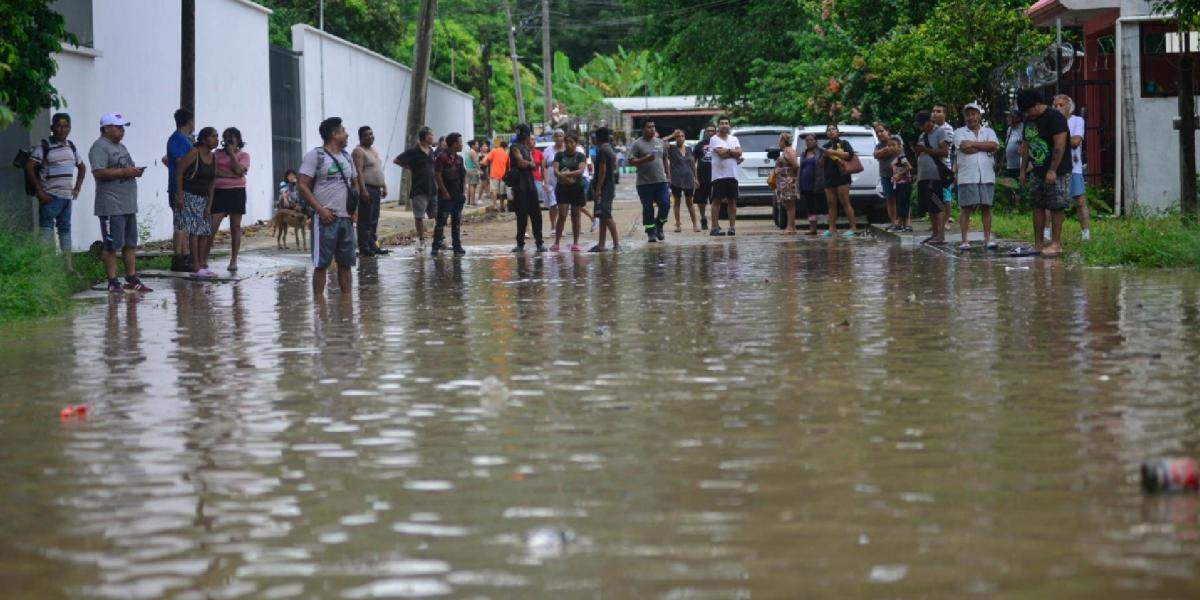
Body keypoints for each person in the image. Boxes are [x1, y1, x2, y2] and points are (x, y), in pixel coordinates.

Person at [89, 112, 152, 292]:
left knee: (130, 243)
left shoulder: (122, 147)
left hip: (128, 203)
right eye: (118, 127)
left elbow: (126, 167)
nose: (122, 131)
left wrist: (134, 171)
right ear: (106, 128)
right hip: (111, 204)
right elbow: (99, 172)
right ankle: (112, 281)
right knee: (111, 245)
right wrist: (125, 173)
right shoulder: (99, 147)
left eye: (122, 127)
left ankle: (131, 278)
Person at [298, 116, 361, 296]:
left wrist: (354, 211)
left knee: (346, 263)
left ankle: (347, 305)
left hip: (346, 219)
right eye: (343, 131)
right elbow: (302, 185)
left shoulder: (347, 157)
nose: (347, 134)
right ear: (334, 134)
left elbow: (354, 183)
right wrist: (320, 210)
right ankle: (319, 307)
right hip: (325, 219)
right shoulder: (315, 156)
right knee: (321, 264)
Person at [27, 112, 85, 272]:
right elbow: (29, 166)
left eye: (66, 126)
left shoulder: (71, 146)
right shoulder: (44, 146)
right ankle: (46, 268)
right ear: (52, 128)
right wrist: (39, 191)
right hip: (50, 196)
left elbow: (82, 167)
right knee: (46, 230)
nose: (62, 129)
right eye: (58, 126)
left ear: (70, 128)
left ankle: (68, 268)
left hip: (66, 197)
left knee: (65, 231)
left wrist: (77, 187)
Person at [1017, 88, 1071, 257]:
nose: (1027, 114)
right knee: (1037, 206)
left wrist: (1053, 170)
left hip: (1058, 171)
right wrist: (1023, 171)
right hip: (1037, 171)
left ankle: (1056, 244)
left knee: (1056, 207)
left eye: (1029, 110)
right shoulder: (1028, 120)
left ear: (1038, 104)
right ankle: (1038, 244)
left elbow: (1059, 146)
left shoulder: (1056, 118)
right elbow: (1026, 146)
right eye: (1024, 112)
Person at [953, 102, 999, 250]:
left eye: (974, 114)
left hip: (986, 175)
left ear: (979, 115)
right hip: (967, 175)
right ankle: (965, 240)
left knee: (986, 207)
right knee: (966, 208)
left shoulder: (989, 131)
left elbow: (994, 146)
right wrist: (983, 146)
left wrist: (974, 145)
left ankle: (987, 239)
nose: (971, 117)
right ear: (964, 117)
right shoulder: (959, 132)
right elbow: (965, 148)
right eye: (968, 114)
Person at [174, 126, 218, 277]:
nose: (216, 139)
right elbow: (179, 171)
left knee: (205, 231)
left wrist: (210, 204)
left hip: (203, 197)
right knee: (194, 231)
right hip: (189, 195)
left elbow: (212, 182)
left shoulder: (213, 157)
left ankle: (202, 263)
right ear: (204, 139)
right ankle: (196, 265)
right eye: (213, 136)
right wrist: (180, 195)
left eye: (217, 136)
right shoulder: (194, 152)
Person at [209, 127, 249, 272]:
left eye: (232, 138)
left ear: (238, 140)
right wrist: (232, 175)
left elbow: (239, 170)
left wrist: (232, 154)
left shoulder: (244, 155)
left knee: (235, 227)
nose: (228, 141)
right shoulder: (216, 154)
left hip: (237, 192)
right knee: (212, 226)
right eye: (226, 138)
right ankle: (203, 259)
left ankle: (233, 260)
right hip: (219, 192)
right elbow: (214, 172)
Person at [1054, 94, 1090, 241]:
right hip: (1055, 167)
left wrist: (1059, 141)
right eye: (1055, 105)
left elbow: (1076, 141)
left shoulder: (1077, 120)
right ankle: (1049, 232)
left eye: (1061, 105)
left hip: (1073, 167)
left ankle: (1086, 233)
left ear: (1069, 106)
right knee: (1054, 202)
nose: (1057, 108)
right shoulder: (1053, 122)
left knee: (1080, 201)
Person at [394, 126, 437, 249]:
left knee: (436, 215)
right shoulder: (414, 151)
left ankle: (439, 238)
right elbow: (397, 160)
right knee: (419, 217)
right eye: (430, 135)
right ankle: (421, 240)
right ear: (424, 137)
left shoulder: (431, 151)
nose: (432, 137)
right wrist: (409, 167)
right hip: (419, 188)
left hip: (432, 188)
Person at [629, 121, 671, 243]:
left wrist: (668, 175)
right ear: (643, 129)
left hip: (661, 181)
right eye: (649, 127)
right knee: (648, 209)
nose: (652, 129)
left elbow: (664, 159)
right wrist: (645, 159)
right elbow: (630, 161)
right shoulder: (637, 144)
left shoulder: (660, 142)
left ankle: (659, 225)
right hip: (644, 183)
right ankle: (650, 232)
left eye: (653, 126)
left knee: (665, 204)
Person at [914, 110, 951, 245]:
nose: (920, 127)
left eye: (922, 124)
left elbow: (944, 151)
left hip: (935, 176)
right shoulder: (922, 135)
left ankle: (941, 236)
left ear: (929, 122)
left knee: (937, 205)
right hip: (923, 176)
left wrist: (925, 150)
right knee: (929, 207)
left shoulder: (940, 132)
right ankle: (934, 233)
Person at [165, 109, 194, 271]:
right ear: (189, 122)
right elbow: (179, 161)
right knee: (180, 221)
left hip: (187, 185)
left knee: (184, 222)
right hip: (178, 186)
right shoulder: (176, 139)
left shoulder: (186, 140)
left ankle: (185, 255)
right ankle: (178, 257)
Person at [352, 126, 389, 256]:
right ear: (361, 137)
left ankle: (373, 245)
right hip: (367, 188)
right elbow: (359, 172)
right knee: (365, 220)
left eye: (372, 134)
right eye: (367, 135)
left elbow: (378, 170)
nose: (371, 137)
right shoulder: (359, 151)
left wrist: (384, 185)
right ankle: (364, 247)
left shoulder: (373, 150)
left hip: (376, 189)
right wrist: (363, 190)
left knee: (374, 219)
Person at [507, 126, 544, 252]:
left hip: (530, 186)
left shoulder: (526, 149)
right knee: (522, 216)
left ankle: (539, 243)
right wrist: (530, 164)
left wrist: (528, 163)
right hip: (520, 187)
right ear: (527, 136)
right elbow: (522, 163)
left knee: (536, 215)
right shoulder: (515, 148)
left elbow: (531, 164)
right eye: (529, 136)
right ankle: (520, 244)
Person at [819, 124, 858, 238]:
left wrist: (833, 152)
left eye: (833, 129)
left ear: (837, 132)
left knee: (845, 202)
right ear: (826, 133)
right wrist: (825, 156)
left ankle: (853, 228)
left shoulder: (844, 143)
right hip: (829, 178)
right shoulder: (824, 146)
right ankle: (832, 229)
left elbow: (849, 155)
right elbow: (820, 164)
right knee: (831, 204)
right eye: (828, 130)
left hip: (842, 177)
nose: (831, 131)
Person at [432, 132, 467, 256]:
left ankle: (457, 246)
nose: (462, 145)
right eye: (460, 142)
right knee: (441, 221)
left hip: (457, 195)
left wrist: (463, 192)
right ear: (454, 144)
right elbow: (437, 175)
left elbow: (463, 176)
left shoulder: (459, 159)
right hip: (446, 196)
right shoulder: (442, 157)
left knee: (456, 221)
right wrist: (444, 191)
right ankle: (435, 246)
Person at [550, 133, 587, 251]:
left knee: (576, 216)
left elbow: (580, 171)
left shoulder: (581, 156)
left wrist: (566, 174)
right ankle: (556, 242)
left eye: (572, 142)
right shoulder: (559, 155)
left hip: (577, 188)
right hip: (562, 188)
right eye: (567, 142)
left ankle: (576, 242)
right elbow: (555, 170)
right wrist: (565, 178)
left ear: (576, 144)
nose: (569, 145)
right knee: (562, 215)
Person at [708, 117, 741, 236]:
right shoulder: (714, 139)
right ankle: (714, 228)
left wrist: (728, 152)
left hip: (732, 174)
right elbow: (721, 154)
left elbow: (739, 152)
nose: (724, 125)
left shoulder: (734, 138)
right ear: (718, 126)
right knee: (716, 200)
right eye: (722, 123)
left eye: (726, 123)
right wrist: (733, 153)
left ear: (729, 125)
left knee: (732, 200)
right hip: (718, 175)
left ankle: (732, 228)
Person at [589, 126, 620, 252]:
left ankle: (616, 244)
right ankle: (601, 244)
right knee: (602, 215)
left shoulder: (602, 150)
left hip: (604, 188)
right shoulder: (609, 149)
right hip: (609, 186)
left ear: (598, 138)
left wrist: (598, 189)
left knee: (606, 215)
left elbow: (602, 171)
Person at [873, 122, 904, 231]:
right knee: (889, 199)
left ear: (887, 131)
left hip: (900, 174)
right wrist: (888, 148)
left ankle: (903, 222)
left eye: (881, 131)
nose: (879, 134)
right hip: (885, 175)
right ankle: (893, 222)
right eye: (877, 132)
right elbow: (876, 155)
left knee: (901, 198)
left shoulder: (896, 138)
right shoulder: (878, 145)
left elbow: (899, 150)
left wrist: (888, 149)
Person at [667, 129, 699, 232]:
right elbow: (661, 141)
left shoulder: (689, 149)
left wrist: (696, 178)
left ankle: (695, 225)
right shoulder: (671, 148)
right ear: (675, 138)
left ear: (685, 137)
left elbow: (693, 164)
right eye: (678, 136)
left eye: (682, 136)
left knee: (690, 202)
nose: (680, 138)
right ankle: (678, 225)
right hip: (675, 179)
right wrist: (671, 134)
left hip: (689, 179)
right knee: (677, 201)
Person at [774, 131, 800, 234]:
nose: (778, 142)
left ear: (783, 141)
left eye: (780, 140)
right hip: (783, 183)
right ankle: (790, 227)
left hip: (788, 182)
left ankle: (791, 227)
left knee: (790, 206)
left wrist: (791, 178)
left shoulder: (789, 151)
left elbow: (796, 165)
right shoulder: (785, 151)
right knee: (787, 205)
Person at [692, 123, 716, 231]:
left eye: (712, 131)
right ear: (705, 132)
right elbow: (693, 161)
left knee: (716, 200)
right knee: (701, 200)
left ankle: (715, 222)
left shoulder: (719, 144)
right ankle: (703, 218)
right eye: (708, 131)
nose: (710, 133)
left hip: (716, 176)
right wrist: (694, 177)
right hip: (702, 176)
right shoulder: (699, 145)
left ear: (716, 132)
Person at [797, 133, 822, 235]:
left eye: (811, 140)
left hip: (817, 183)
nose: (808, 142)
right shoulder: (804, 153)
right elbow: (800, 168)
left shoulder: (820, 153)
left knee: (818, 206)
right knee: (809, 207)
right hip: (805, 184)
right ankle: (813, 228)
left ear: (816, 141)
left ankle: (828, 226)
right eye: (807, 140)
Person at [932, 102, 956, 208]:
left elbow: (942, 149)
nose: (935, 114)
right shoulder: (931, 128)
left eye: (938, 111)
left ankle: (946, 220)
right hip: (932, 167)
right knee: (934, 195)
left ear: (944, 114)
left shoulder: (948, 129)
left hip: (944, 167)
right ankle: (939, 218)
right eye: (933, 111)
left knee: (946, 196)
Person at [889, 137, 913, 232]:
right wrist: (894, 177)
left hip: (904, 184)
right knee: (899, 204)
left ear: (900, 147)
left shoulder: (902, 157)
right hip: (898, 184)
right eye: (889, 146)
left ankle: (906, 224)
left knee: (904, 204)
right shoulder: (897, 158)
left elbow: (909, 167)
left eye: (893, 145)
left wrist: (899, 174)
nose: (891, 147)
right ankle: (900, 224)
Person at [482, 139, 509, 212]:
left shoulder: (494, 150)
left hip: (494, 174)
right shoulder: (506, 154)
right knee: (502, 192)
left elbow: (487, 160)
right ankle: (502, 206)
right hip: (503, 175)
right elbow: (507, 166)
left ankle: (494, 206)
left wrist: (484, 163)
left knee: (494, 190)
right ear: (505, 147)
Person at [464, 139, 481, 205]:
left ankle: (468, 201)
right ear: (472, 145)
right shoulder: (473, 152)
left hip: (468, 169)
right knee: (473, 186)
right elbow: (476, 162)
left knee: (469, 186)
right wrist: (480, 170)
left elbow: (465, 162)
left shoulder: (467, 152)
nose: (477, 145)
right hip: (473, 170)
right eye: (476, 144)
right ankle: (472, 202)